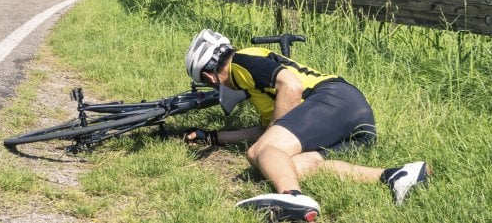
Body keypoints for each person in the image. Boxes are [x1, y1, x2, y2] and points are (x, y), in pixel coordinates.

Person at [183, 29, 430, 222]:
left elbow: (292, 87)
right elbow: (267, 130)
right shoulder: (253, 85)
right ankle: (395, 175)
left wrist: (266, 143)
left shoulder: (242, 61)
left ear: (210, 76)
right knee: (291, 165)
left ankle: (293, 197)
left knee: (259, 152)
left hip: (334, 98)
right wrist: (214, 137)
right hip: (352, 117)